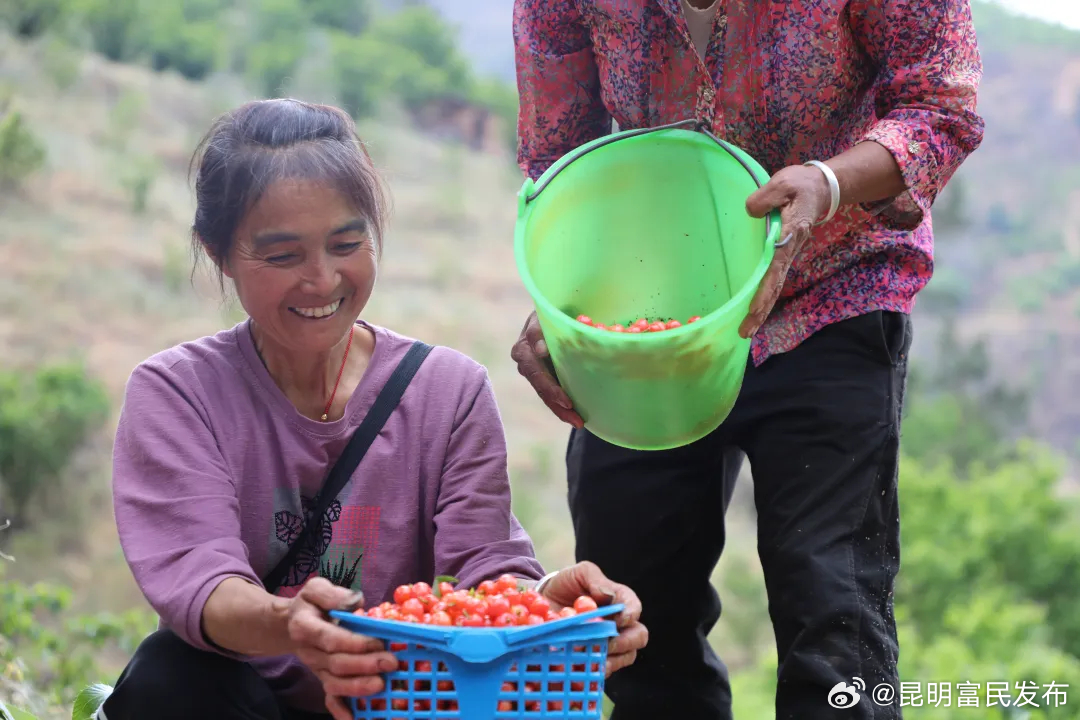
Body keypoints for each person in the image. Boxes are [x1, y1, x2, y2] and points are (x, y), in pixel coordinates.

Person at [99, 98, 647, 720]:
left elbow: (482, 572)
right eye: (282, 256)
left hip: (401, 702)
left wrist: (551, 605)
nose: (322, 279)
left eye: (346, 243)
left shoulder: (448, 391)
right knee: (170, 677)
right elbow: (201, 587)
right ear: (219, 252)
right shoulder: (179, 393)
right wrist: (293, 624)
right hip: (245, 705)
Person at [511, 1, 984, 718]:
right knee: (633, 619)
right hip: (652, 314)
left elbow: (939, 106)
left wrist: (828, 184)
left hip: (836, 285)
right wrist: (563, 312)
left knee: (834, 615)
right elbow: (560, 158)